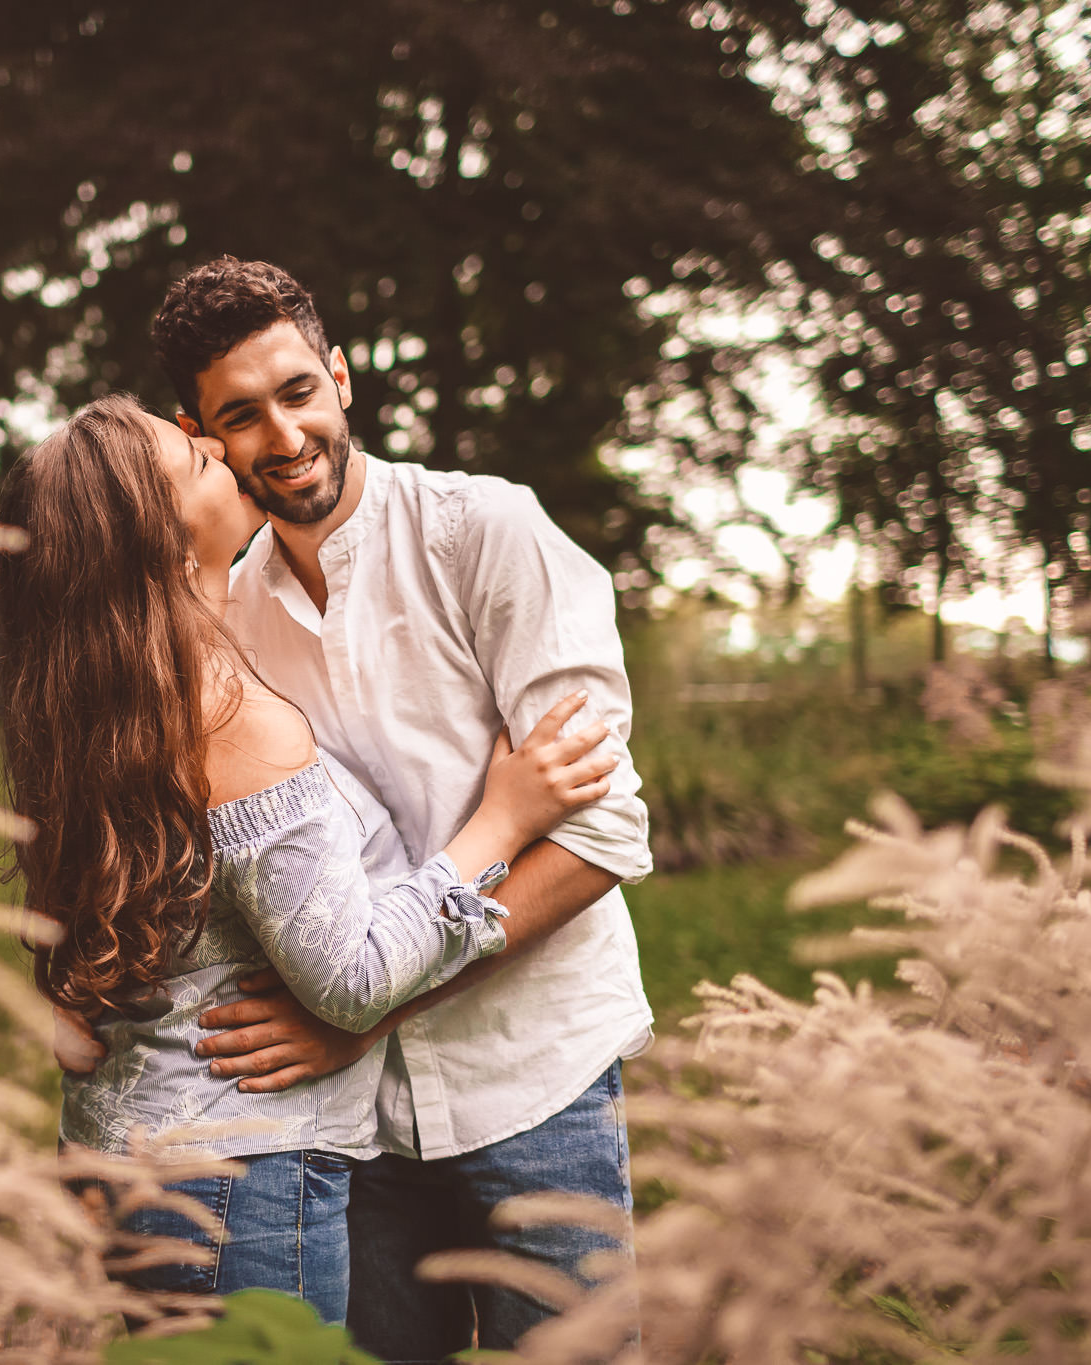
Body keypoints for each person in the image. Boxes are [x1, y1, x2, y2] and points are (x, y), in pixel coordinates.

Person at [0, 393, 617, 1323]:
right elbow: (351, 980)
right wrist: (503, 817)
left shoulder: (94, 705)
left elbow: (77, 1008)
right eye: (198, 459)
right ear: (164, 547)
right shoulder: (230, 715)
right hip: (236, 1181)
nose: (222, 450)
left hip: (121, 1149)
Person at [146, 257, 656, 1360]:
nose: (282, 438)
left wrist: (364, 1015)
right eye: (240, 416)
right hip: (351, 1123)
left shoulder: (485, 534)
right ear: (202, 433)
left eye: (296, 393)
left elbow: (602, 833)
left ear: (339, 377)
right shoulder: (225, 607)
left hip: (531, 1076)